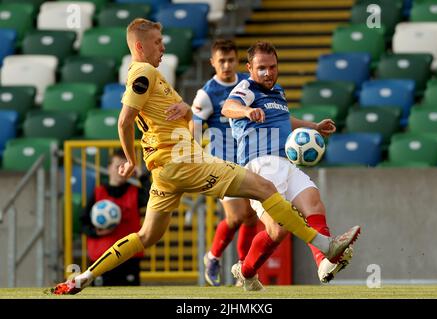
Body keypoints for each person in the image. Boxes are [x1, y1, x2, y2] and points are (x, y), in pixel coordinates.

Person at [51, 19, 360, 295]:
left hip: (166, 171)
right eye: (158, 42)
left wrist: (186, 112)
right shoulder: (143, 71)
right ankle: (324, 246)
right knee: (264, 190)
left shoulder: (156, 79)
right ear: (140, 46)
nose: (164, 46)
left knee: (147, 235)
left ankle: (84, 278)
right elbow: (124, 119)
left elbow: (177, 119)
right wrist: (130, 160)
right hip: (184, 162)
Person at [221, 41, 354, 291]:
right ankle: (247, 271)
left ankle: (323, 261)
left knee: (313, 201)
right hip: (259, 166)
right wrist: (247, 111)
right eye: (261, 68)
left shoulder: (278, 92)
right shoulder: (246, 88)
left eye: (272, 67)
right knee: (278, 230)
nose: (268, 73)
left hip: (285, 161)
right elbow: (227, 107)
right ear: (249, 68)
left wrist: (313, 127)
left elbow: (284, 118)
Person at [191, 39, 257, 287]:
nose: (227, 65)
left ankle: (242, 268)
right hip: (221, 163)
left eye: (230, 60)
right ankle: (213, 256)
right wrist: (197, 157)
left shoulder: (245, 85)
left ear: (237, 60)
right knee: (238, 216)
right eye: (222, 61)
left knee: (250, 218)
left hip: (247, 158)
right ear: (213, 63)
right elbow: (194, 124)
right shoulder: (207, 93)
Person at [79, 149, 150, 287]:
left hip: (129, 258)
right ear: (109, 168)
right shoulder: (98, 193)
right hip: (101, 258)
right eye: (118, 166)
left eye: (125, 167)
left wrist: (142, 177)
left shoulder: (135, 192)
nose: (121, 170)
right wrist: (96, 232)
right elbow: (83, 222)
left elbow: (152, 198)